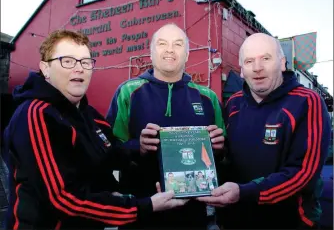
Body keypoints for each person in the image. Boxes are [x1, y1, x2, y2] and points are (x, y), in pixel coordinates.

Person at [3, 29, 187, 230]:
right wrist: (144, 206)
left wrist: (141, 148)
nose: (79, 68)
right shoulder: (36, 115)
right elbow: (63, 200)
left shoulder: (88, 114)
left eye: (85, 62)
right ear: (45, 68)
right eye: (67, 61)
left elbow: (114, 153)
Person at [197, 33, 331, 229]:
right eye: (249, 61)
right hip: (235, 220)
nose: (257, 67)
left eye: (265, 58)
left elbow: (303, 174)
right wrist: (216, 151)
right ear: (242, 70)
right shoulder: (233, 103)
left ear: (282, 63)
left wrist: (245, 193)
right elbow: (229, 158)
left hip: (288, 221)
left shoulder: (307, 101)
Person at [106, 23, 225, 229]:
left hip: (192, 215)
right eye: (162, 44)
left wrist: (220, 148)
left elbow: (225, 153)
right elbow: (109, 149)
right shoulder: (128, 92)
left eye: (178, 44)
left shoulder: (208, 98)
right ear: (151, 53)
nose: (170, 49)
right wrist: (138, 148)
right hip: (141, 213)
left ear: (187, 54)